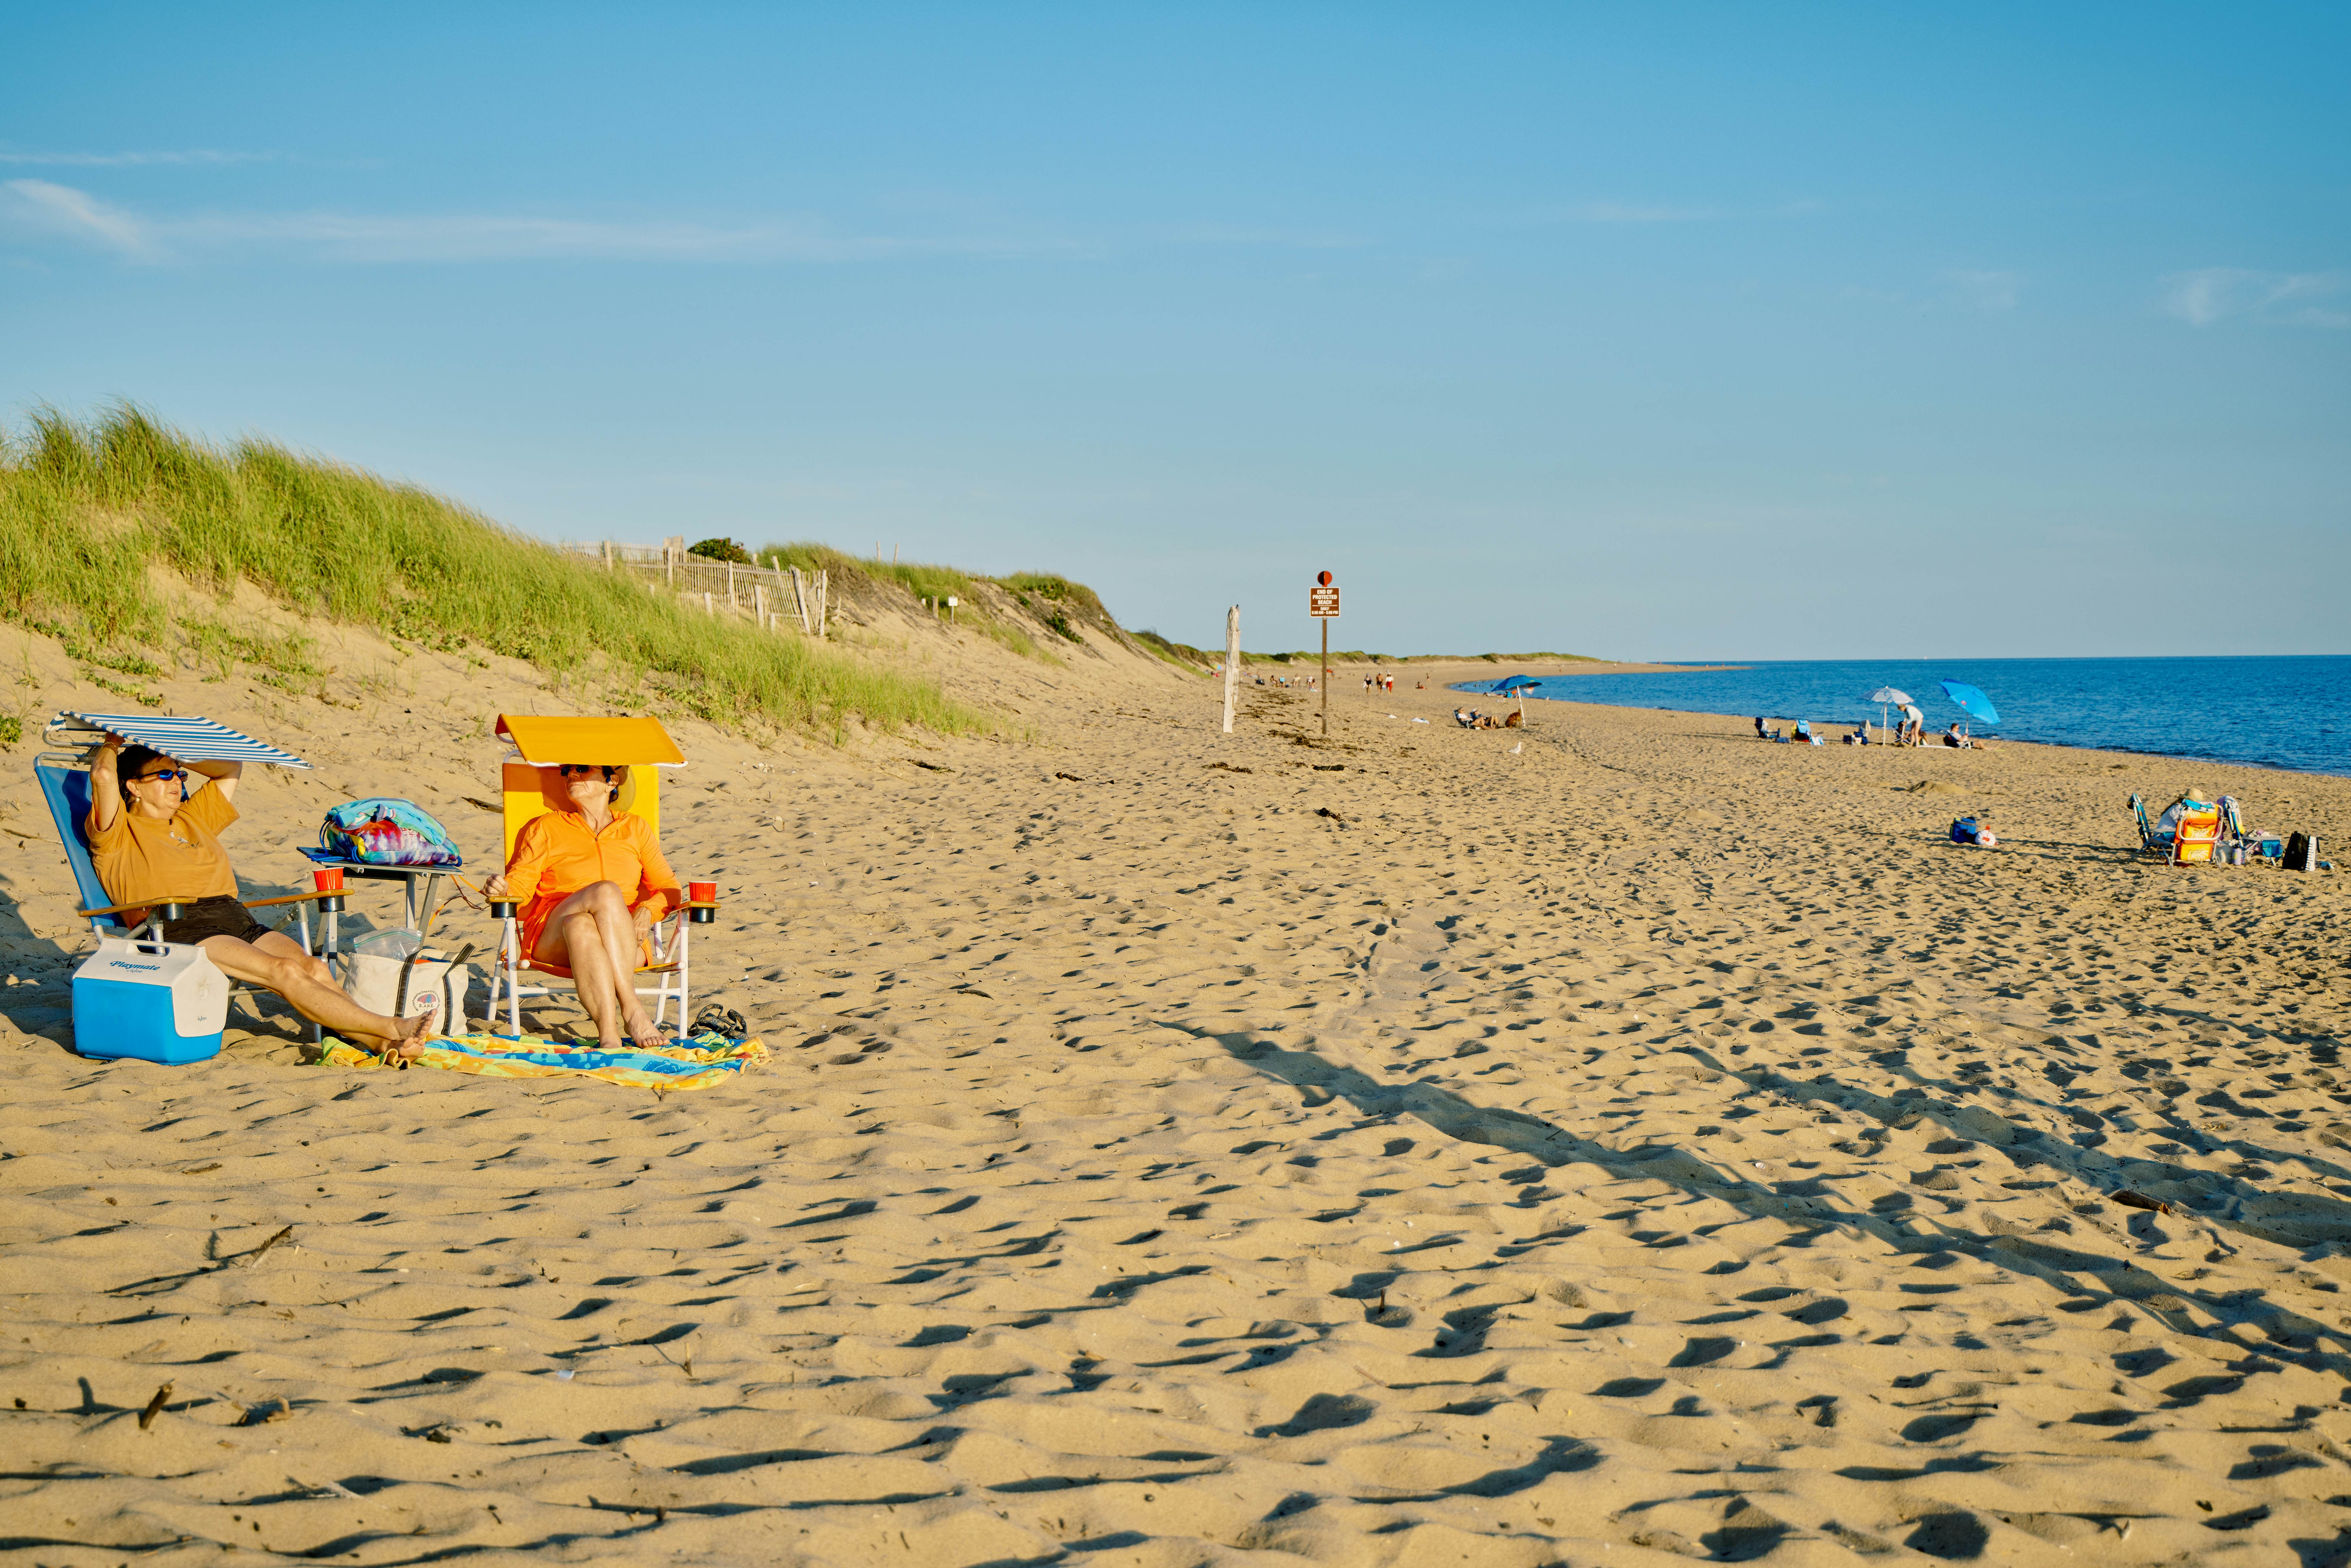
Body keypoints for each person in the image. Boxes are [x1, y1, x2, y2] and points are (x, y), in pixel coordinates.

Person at [85, 735, 430, 1056]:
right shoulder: (116, 832)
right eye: (162, 776)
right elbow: (102, 773)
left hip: (233, 916)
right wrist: (113, 742)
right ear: (133, 787)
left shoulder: (193, 817)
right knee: (284, 971)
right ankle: (390, 1025)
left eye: (179, 776)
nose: (176, 782)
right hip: (176, 926)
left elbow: (230, 768)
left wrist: (176, 757)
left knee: (313, 968)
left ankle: (382, 1042)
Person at [483, 763, 684, 1050]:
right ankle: (633, 1010)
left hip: (624, 941)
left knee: (581, 926)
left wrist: (647, 911)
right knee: (605, 891)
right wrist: (502, 889)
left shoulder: (636, 828)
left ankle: (610, 1038)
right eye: (566, 772)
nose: (571, 776)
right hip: (552, 937)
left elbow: (669, 888)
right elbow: (521, 887)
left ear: (611, 781)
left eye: (581, 769)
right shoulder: (547, 827)